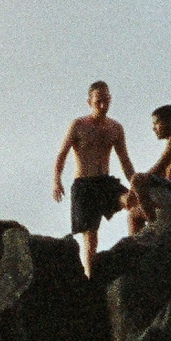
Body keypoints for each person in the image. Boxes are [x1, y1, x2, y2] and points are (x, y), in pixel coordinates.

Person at [51, 80, 136, 277]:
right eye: (98, 101)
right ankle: (90, 278)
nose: (103, 105)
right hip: (84, 184)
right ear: (89, 101)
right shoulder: (79, 125)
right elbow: (61, 155)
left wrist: (134, 183)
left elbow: (124, 159)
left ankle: (138, 246)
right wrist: (56, 180)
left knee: (133, 201)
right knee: (91, 238)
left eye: (106, 100)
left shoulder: (115, 127)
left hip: (105, 182)